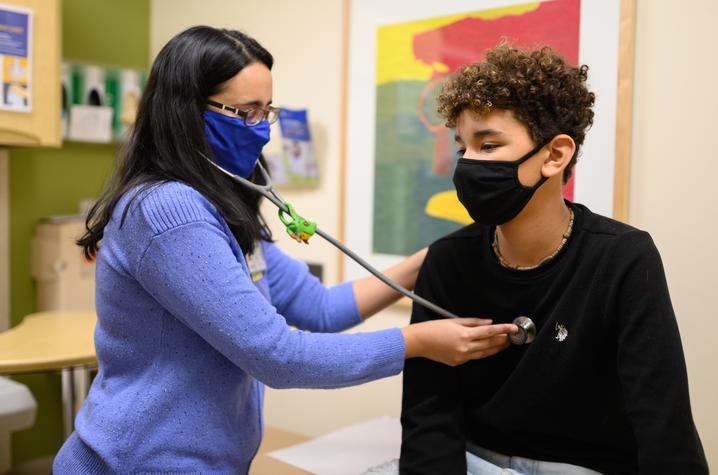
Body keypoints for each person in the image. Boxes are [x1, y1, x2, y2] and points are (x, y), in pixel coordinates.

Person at [51, 26, 518, 474]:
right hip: (138, 463)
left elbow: (320, 308)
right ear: (185, 112)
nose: (263, 131)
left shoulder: (222, 209)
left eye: (266, 111)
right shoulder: (169, 211)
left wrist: (431, 258)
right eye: (245, 113)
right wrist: (418, 343)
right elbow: (276, 356)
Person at [399, 43, 708, 474]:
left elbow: (662, 422)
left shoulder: (622, 258)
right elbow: (428, 416)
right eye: (462, 147)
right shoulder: (448, 261)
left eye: (488, 146)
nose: (467, 164)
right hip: (477, 459)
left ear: (555, 155)